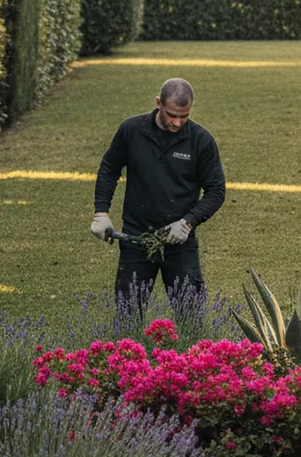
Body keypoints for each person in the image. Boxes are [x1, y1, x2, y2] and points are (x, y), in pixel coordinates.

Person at [91, 78, 225, 304]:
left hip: (179, 241)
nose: (177, 122)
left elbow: (216, 191)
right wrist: (101, 214)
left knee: (190, 314)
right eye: (172, 115)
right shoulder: (131, 130)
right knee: (128, 312)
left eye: (184, 116)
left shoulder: (201, 141)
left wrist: (187, 222)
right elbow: (109, 169)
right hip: (136, 237)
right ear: (158, 103)